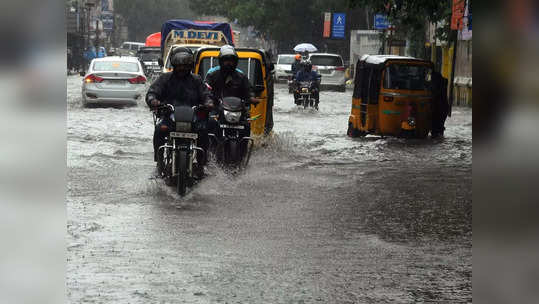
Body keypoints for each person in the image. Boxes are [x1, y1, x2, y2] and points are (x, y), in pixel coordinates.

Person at [146, 47, 214, 177]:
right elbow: (152, 92)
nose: (182, 67)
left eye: (185, 63)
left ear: (191, 63)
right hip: (170, 117)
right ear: (173, 63)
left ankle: (201, 164)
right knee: (160, 129)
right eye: (179, 63)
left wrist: (208, 102)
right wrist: (153, 100)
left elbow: (206, 94)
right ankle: (159, 163)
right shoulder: (165, 78)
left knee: (204, 131)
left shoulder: (197, 80)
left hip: (193, 118)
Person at [205, 45, 258, 156]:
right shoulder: (212, 74)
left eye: (231, 60)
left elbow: (249, 89)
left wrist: (252, 98)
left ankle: (243, 150)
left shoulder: (241, 76)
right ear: (220, 61)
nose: (229, 63)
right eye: (226, 60)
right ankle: (209, 152)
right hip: (216, 107)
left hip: (237, 109)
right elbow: (206, 89)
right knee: (209, 122)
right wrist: (209, 101)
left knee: (247, 125)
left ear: (236, 61)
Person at [430, 70, 449, 138]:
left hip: (438, 107)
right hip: (444, 107)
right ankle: (439, 136)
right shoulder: (444, 81)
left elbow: (435, 93)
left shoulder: (436, 83)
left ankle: (436, 135)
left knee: (436, 125)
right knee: (440, 124)